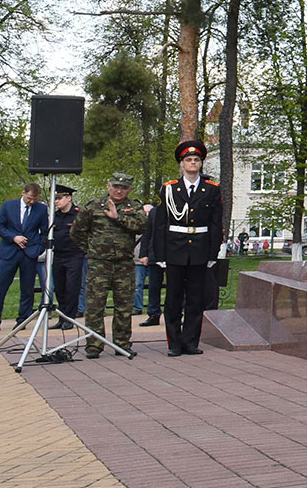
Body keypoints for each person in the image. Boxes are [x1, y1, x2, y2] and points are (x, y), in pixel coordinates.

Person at [153, 140, 224, 355]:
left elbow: (215, 223)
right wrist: (160, 253)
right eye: (188, 160)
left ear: (201, 164)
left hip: (200, 250)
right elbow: (161, 224)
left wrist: (213, 252)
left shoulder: (212, 189)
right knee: (173, 298)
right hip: (175, 249)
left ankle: (191, 342)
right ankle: (174, 344)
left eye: (196, 160)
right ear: (182, 164)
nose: (192, 163)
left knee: (196, 298)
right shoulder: (169, 189)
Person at [73, 174, 149, 358]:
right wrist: (90, 249)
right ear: (108, 186)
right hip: (99, 264)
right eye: (115, 186)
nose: (119, 190)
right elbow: (77, 231)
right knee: (95, 306)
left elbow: (142, 226)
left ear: (129, 189)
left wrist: (119, 217)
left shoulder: (134, 207)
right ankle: (94, 345)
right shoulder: (94, 206)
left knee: (124, 306)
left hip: (124, 264)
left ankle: (122, 343)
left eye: (124, 187)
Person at [0, 182, 48, 331]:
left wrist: (38, 249)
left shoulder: (41, 209)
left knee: (27, 288)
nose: (31, 202)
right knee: (0, 287)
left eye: (34, 199)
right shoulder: (8, 206)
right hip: (9, 252)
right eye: (29, 198)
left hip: (29, 253)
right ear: (23, 193)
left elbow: (45, 232)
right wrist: (13, 237)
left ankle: (22, 321)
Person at [48, 184, 85, 320]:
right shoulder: (54, 216)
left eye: (59, 198)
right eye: (55, 198)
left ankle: (70, 318)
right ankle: (62, 317)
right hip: (58, 255)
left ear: (69, 198)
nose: (56, 201)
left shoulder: (78, 214)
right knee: (59, 288)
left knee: (72, 288)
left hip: (74, 256)